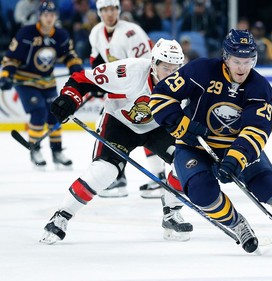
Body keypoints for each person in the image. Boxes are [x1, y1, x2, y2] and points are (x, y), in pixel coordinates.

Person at [150, 29, 272, 255]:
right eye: (237, 61)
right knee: (201, 192)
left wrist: (235, 159)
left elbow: (257, 129)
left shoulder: (259, 87)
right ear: (226, 57)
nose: (242, 68)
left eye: (248, 61)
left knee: (269, 186)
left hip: (235, 146)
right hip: (194, 145)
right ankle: (237, 224)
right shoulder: (200, 70)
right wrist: (182, 125)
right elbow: (162, 95)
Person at [39, 38, 193, 244]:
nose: (172, 74)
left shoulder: (186, 81)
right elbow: (82, 79)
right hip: (119, 125)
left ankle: (171, 212)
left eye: (176, 68)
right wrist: (69, 98)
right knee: (105, 171)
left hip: (158, 127)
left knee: (187, 162)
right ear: (153, 63)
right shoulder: (129, 71)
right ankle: (61, 216)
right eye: (166, 68)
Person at [89, 0, 166, 198]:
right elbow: (96, 59)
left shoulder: (132, 32)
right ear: (99, 12)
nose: (109, 13)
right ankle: (121, 177)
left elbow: (146, 67)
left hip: (140, 88)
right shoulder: (96, 32)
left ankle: (157, 179)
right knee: (113, 127)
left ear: (118, 10)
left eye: (113, 8)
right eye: (105, 9)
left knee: (145, 127)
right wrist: (98, 81)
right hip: (120, 89)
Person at [0, 1, 83, 167]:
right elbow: (11, 57)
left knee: (55, 114)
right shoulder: (26, 33)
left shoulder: (60, 35)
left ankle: (57, 151)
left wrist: (76, 68)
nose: (49, 18)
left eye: (52, 15)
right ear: (40, 16)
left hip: (47, 82)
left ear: (56, 16)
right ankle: (35, 149)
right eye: (46, 15)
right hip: (25, 81)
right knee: (38, 112)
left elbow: (69, 55)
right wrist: (6, 74)